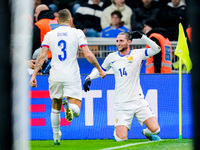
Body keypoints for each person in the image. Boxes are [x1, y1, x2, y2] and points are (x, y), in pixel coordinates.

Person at [30, 9, 106, 145]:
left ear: (57, 21)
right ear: (71, 20)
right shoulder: (77, 33)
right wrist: (99, 69)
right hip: (71, 74)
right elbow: (88, 54)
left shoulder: (49, 34)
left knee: (55, 105)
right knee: (76, 110)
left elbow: (41, 56)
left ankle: (56, 136)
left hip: (55, 74)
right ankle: (70, 108)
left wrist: (34, 75)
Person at [83, 31, 161, 141]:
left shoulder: (138, 54)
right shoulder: (112, 57)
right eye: (117, 41)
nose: (118, 43)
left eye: (121, 41)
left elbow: (157, 49)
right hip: (122, 103)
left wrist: (143, 37)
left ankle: (147, 133)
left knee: (156, 130)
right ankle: (117, 133)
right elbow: (101, 70)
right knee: (121, 139)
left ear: (129, 42)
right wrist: (89, 77)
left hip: (138, 100)